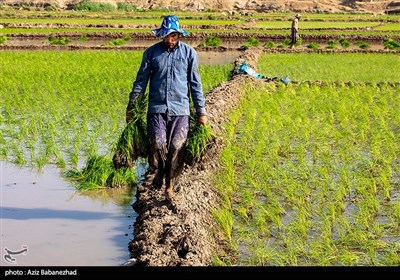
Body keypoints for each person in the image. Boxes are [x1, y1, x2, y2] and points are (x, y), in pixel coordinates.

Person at [125, 15, 208, 202]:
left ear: (179, 35)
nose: (170, 40)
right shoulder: (151, 53)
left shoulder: (189, 54)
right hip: (157, 108)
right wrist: (132, 107)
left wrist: (201, 111)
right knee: (158, 144)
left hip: (181, 109)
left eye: (174, 36)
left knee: (176, 147)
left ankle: (169, 187)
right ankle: (160, 171)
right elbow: (141, 82)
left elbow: (195, 84)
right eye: (167, 36)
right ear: (162, 35)